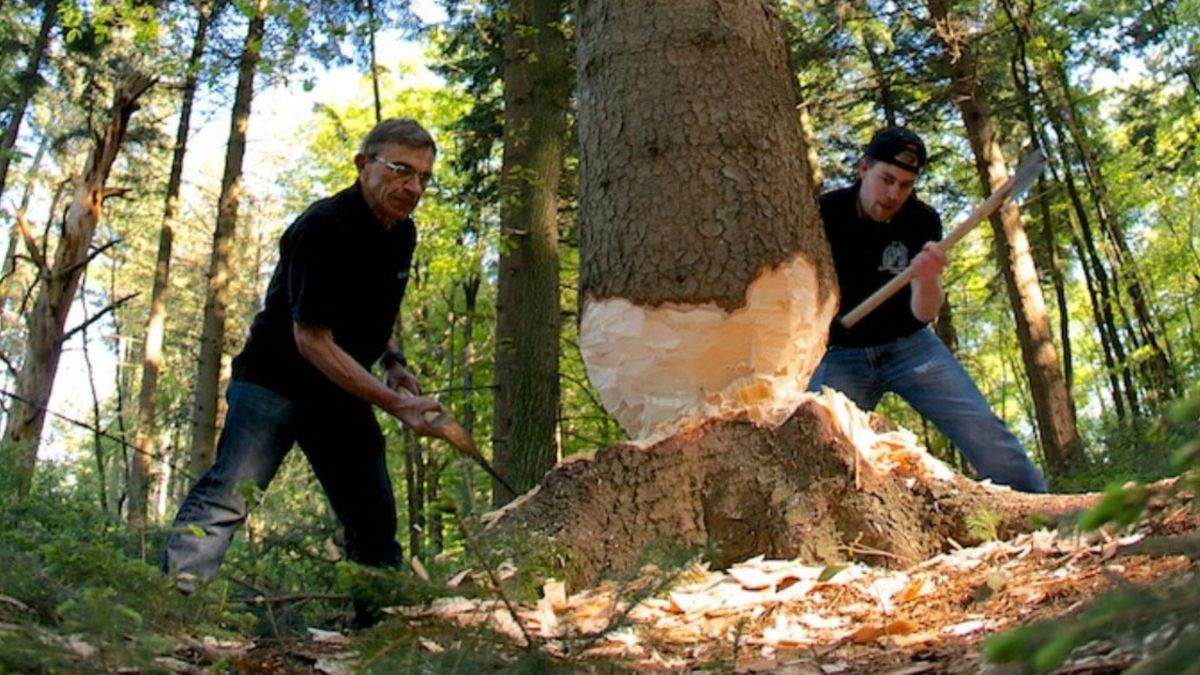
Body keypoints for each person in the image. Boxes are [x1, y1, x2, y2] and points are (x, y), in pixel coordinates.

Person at [162, 118, 446, 624]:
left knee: (373, 517)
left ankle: (379, 637)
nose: (413, 187)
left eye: (424, 177)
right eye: (401, 170)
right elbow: (311, 339)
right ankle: (167, 618)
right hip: (276, 381)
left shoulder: (403, 234)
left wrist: (395, 363)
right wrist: (396, 403)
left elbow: (377, 310)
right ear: (364, 165)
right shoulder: (323, 227)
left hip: (342, 394)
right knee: (227, 496)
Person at [807, 126, 1048, 493]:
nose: (893, 194)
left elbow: (923, 314)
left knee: (986, 432)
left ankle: (1044, 518)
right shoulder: (825, 214)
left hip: (910, 347)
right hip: (839, 352)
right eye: (886, 179)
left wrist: (926, 278)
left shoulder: (921, 221)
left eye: (905, 185)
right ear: (863, 169)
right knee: (816, 444)